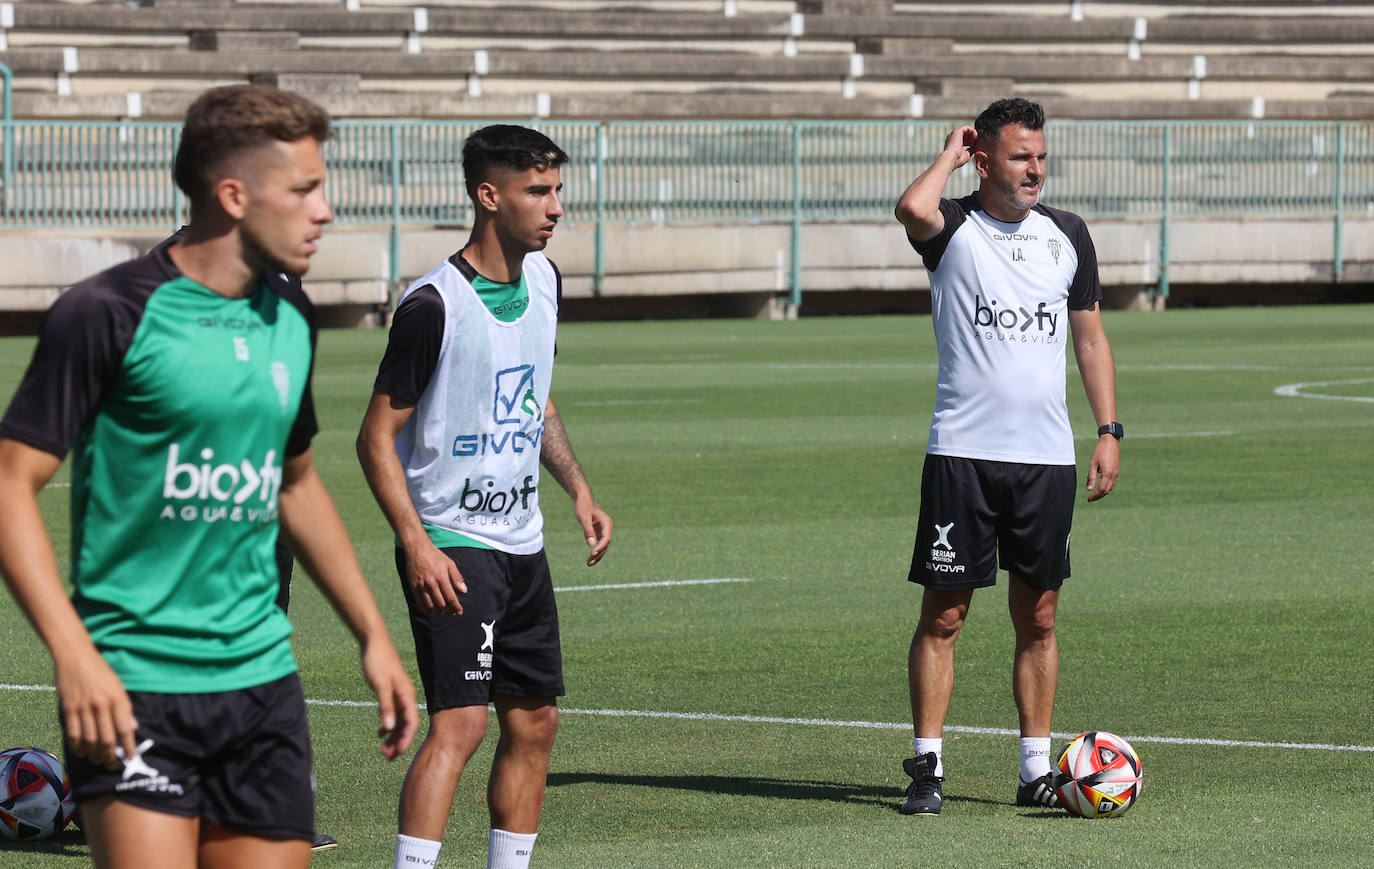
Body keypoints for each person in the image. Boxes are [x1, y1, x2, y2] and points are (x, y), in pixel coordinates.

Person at [0, 84, 418, 867]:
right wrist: (73, 652)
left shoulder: (289, 317)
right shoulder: (105, 312)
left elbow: (294, 481)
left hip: (262, 686)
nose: (324, 210)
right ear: (232, 195)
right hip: (133, 681)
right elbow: (7, 483)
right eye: (304, 190)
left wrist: (373, 634)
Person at [357, 124, 612, 869]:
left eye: (558, 188)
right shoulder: (433, 305)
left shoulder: (545, 281)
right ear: (488, 195)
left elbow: (533, 398)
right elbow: (375, 439)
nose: (555, 205)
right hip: (452, 543)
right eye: (538, 189)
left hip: (523, 542)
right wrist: (416, 542)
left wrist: (578, 486)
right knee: (462, 724)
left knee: (535, 722)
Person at [892, 97, 1121, 815]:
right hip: (963, 453)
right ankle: (927, 765)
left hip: (1044, 459)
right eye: (1020, 156)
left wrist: (1108, 429)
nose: (1035, 170)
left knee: (1042, 615)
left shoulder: (1069, 235)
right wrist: (949, 152)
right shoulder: (952, 228)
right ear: (985, 159)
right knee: (945, 615)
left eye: (1041, 156)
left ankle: (1033, 769)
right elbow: (910, 206)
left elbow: (1089, 337)